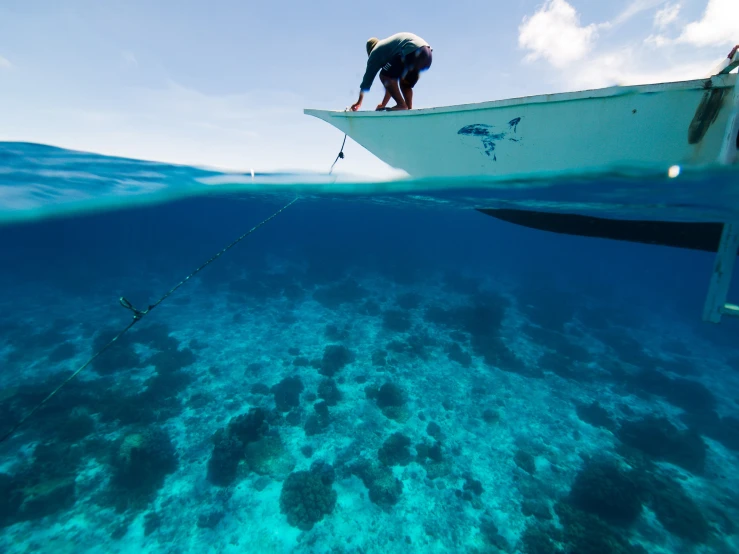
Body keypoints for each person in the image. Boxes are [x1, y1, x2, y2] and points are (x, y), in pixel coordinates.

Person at [350, 32, 432, 112]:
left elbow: (367, 80)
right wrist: (383, 104)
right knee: (405, 83)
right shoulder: (388, 48)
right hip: (427, 54)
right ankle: (409, 110)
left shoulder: (375, 52)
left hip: (411, 51)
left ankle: (402, 105)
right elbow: (391, 84)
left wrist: (359, 102)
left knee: (384, 76)